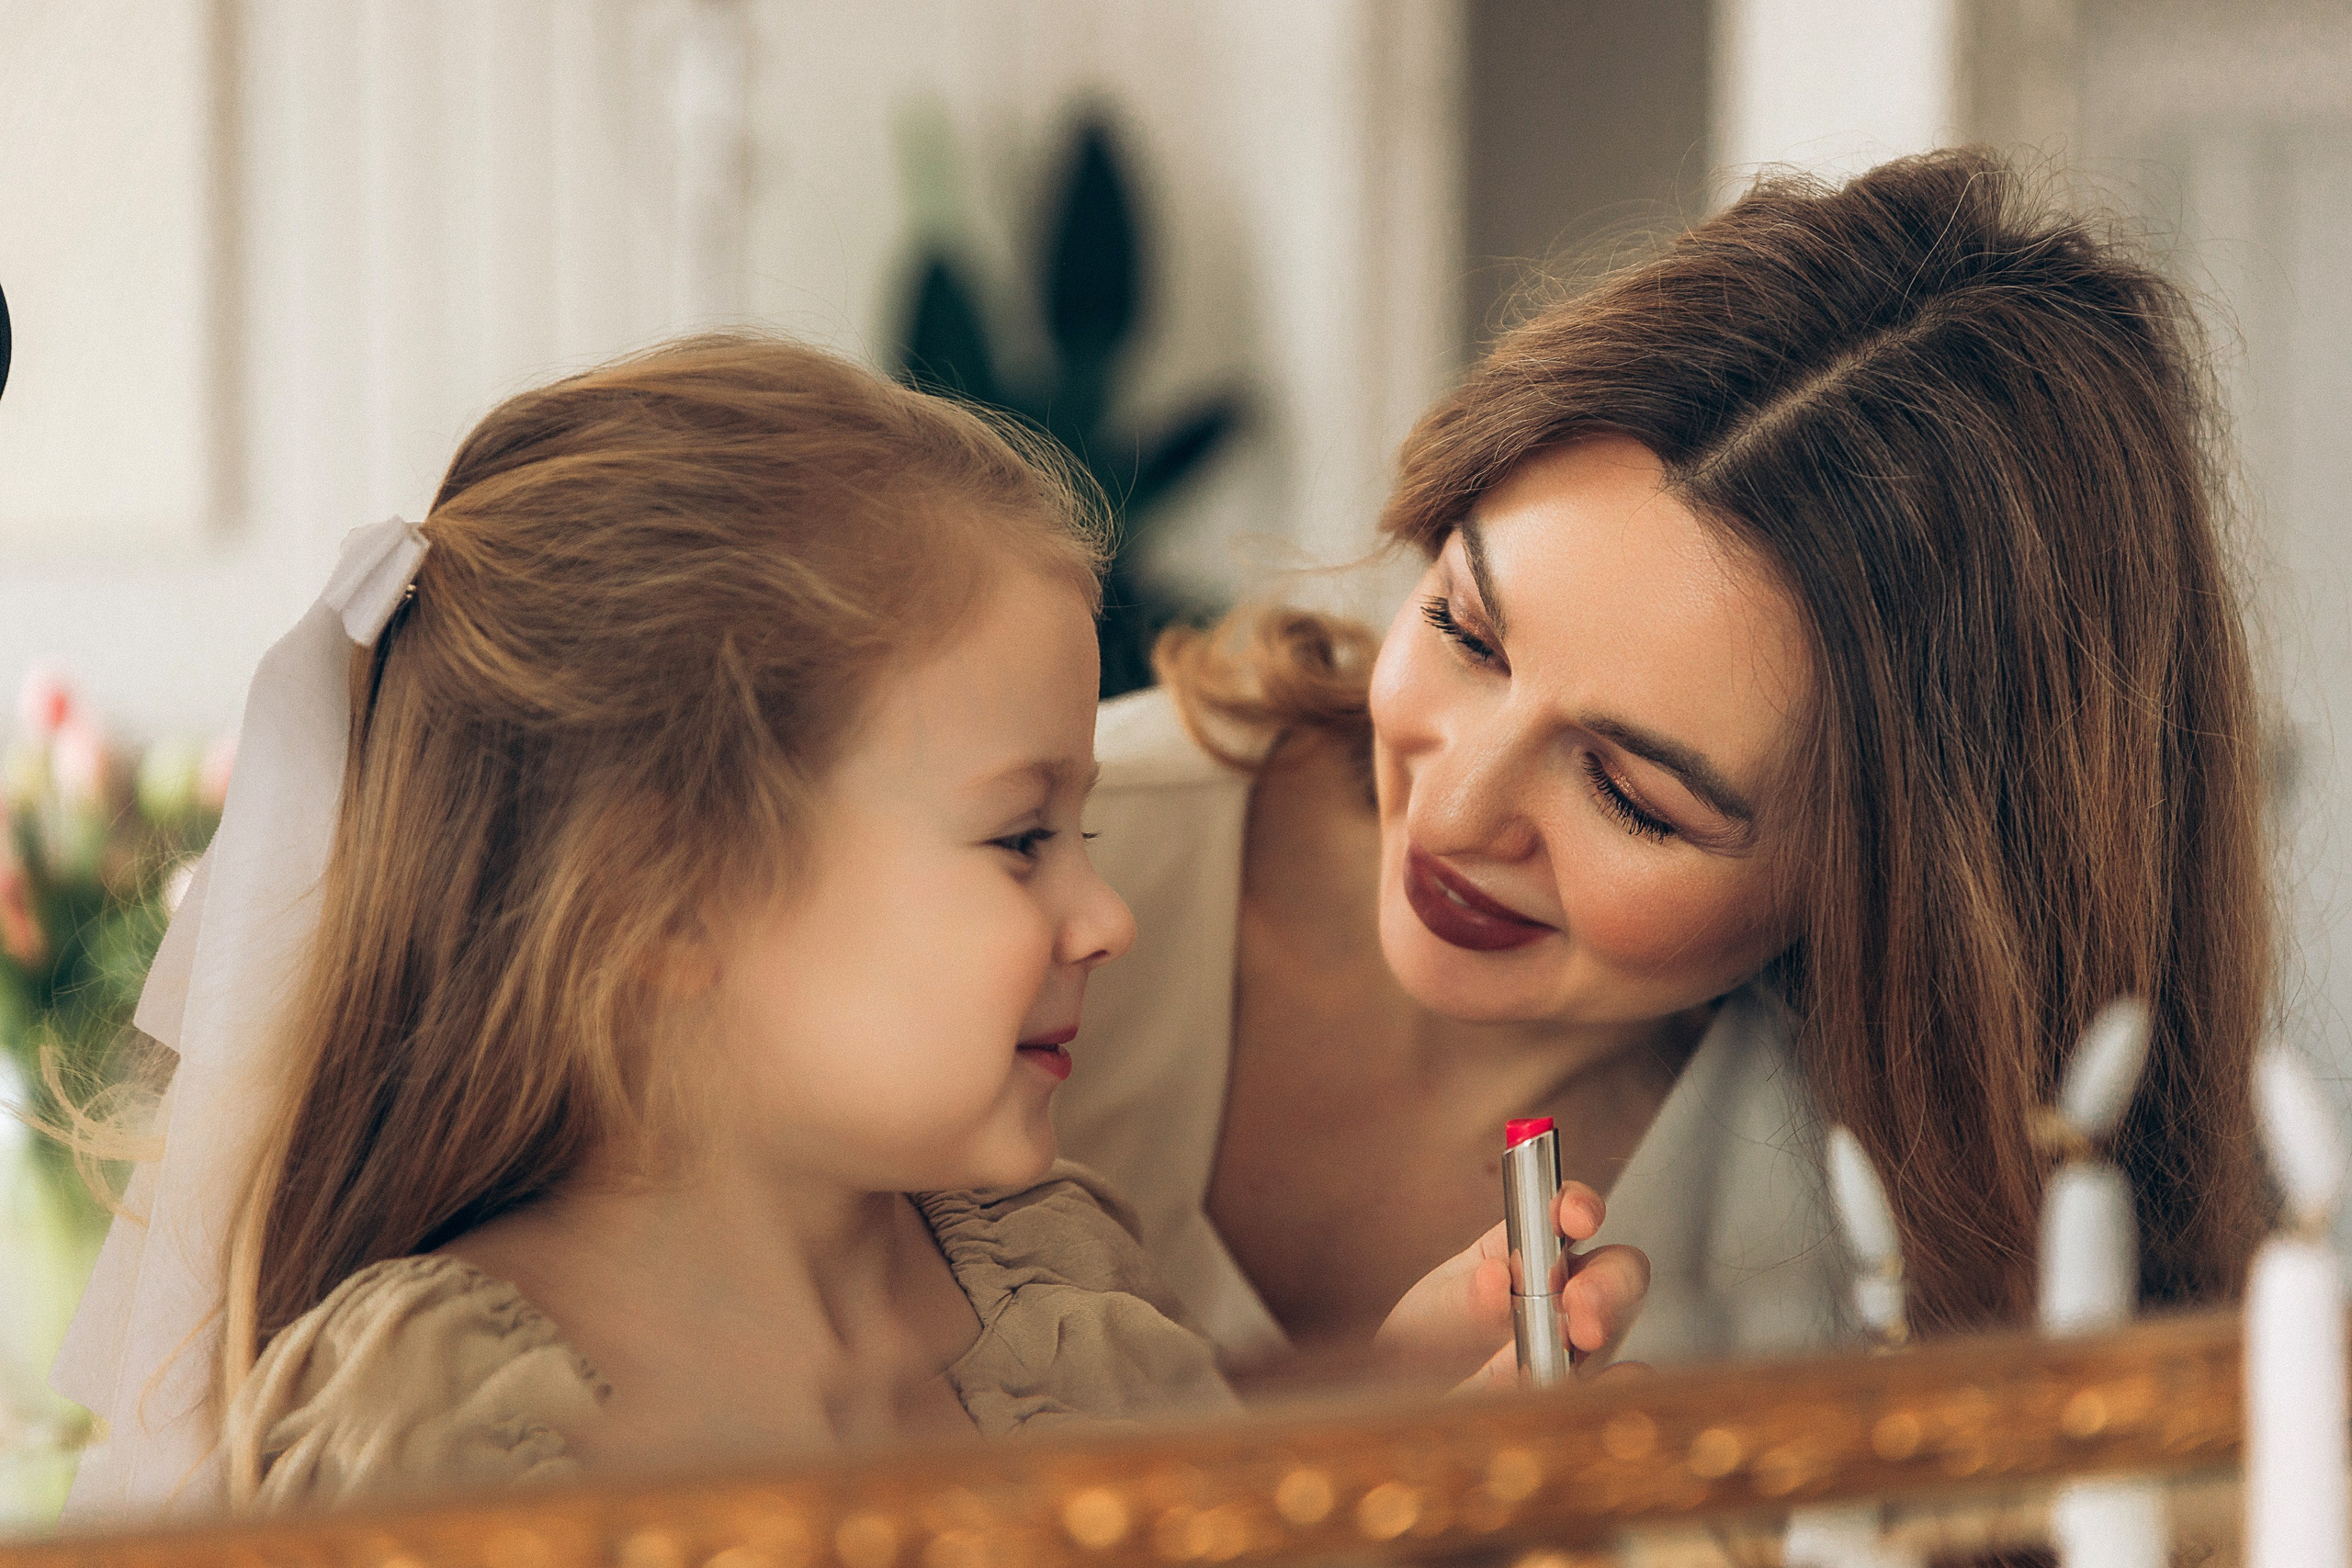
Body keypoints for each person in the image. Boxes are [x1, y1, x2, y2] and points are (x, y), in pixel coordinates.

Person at [51, 338, 1634, 1517]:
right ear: (670, 897)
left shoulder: (1052, 1285)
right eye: (1021, 840)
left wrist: (1404, 1388)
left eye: (1079, 834)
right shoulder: (448, 1427)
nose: (1106, 916)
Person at [1057, 148, 2271, 1369]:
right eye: (1463, 631)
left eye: (1634, 796)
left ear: (1889, 880)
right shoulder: (1057, 851)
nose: (1456, 807)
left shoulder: (1928, 1230)